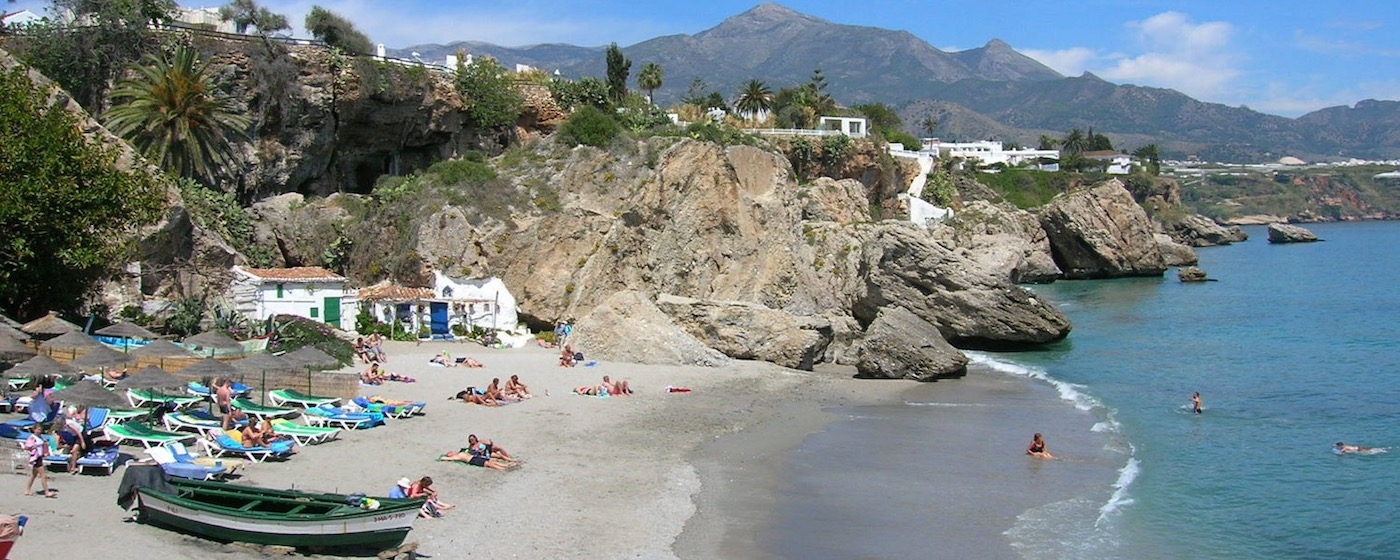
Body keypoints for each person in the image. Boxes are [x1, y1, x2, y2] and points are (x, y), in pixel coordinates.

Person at [22, 424, 55, 497]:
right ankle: (47, 492)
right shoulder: (32, 438)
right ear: (34, 429)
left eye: (40, 430)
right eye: (38, 429)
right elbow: (27, 447)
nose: (39, 431)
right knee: (44, 475)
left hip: (39, 457)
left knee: (34, 475)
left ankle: (27, 490)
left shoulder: (40, 437)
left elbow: (43, 445)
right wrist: (34, 446)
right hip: (36, 458)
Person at [59, 407, 89, 474]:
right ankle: (73, 466)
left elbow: (78, 431)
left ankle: (73, 467)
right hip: (76, 436)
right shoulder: (65, 424)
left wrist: (82, 442)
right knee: (74, 450)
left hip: (81, 434)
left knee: (74, 450)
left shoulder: (68, 424)